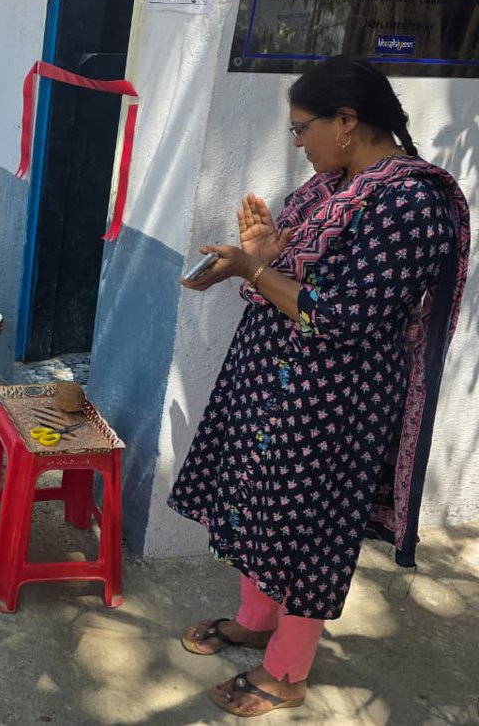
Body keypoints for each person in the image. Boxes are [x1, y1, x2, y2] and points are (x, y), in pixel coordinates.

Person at [168, 56, 470, 717]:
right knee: (259, 505)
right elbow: (301, 277)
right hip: (279, 384)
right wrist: (262, 254)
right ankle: (255, 622)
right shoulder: (334, 188)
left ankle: (286, 672)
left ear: (347, 120)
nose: (298, 143)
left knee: (309, 531)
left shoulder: (410, 203)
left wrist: (253, 270)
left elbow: (342, 316)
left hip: (335, 402)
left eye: (302, 128)